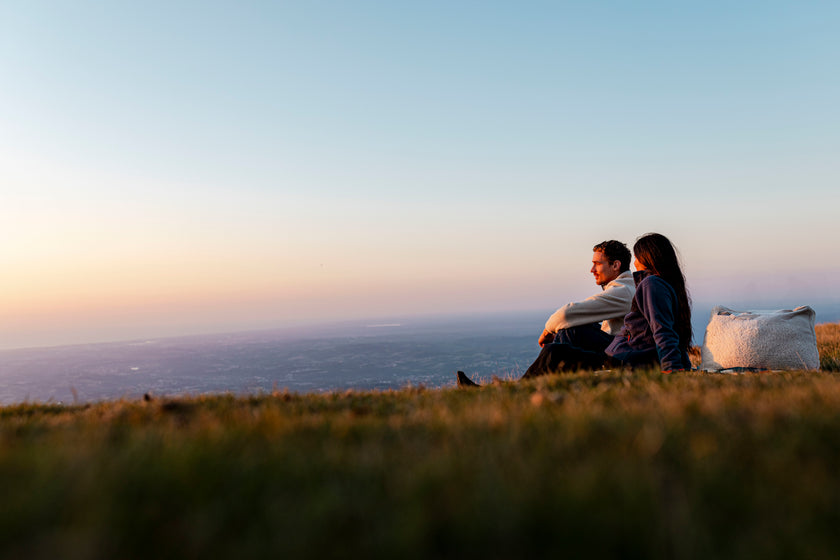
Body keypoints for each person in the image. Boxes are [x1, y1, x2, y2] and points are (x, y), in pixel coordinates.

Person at [456, 233, 691, 386]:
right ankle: (542, 385)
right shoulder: (656, 284)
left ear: (646, 258)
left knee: (554, 352)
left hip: (628, 360)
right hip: (625, 353)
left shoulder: (648, 285)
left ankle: (511, 392)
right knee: (567, 338)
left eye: (597, 264)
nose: (635, 263)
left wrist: (673, 371)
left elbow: (664, 332)